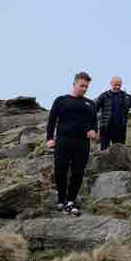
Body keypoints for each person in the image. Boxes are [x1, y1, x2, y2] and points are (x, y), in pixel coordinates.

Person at [46, 71, 98, 215]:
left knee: (78, 172)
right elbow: (51, 120)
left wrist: (93, 132)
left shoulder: (90, 104)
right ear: (74, 84)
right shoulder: (61, 100)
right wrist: (49, 138)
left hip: (82, 144)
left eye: (86, 87)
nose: (84, 89)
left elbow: (94, 124)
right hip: (63, 141)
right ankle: (61, 200)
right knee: (60, 170)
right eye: (82, 86)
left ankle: (71, 201)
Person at [94, 75, 131, 150]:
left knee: (120, 151)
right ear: (111, 83)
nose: (117, 87)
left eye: (119, 85)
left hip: (120, 129)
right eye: (115, 84)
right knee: (104, 151)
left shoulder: (126, 97)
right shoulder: (104, 96)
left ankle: (118, 162)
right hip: (106, 129)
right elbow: (94, 109)